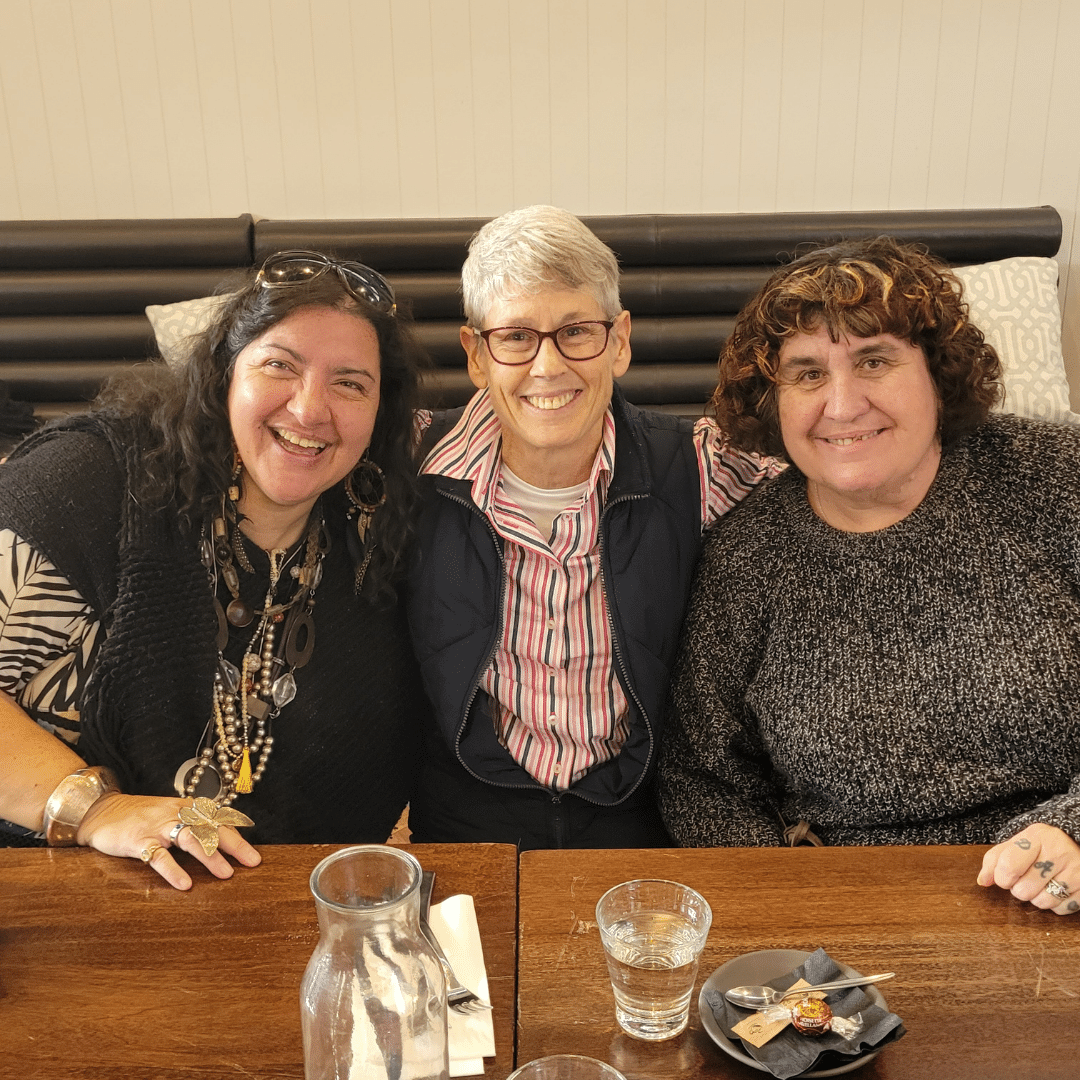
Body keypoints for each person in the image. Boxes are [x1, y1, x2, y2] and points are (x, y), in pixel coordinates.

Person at [658, 235, 1080, 916]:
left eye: (874, 360)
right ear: (773, 402)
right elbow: (701, 777)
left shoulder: (1055, 477)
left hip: (1061, 884)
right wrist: (793, 910)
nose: (844, 404)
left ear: (938, 374)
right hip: (852, 906)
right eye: (806, 374)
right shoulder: (746, 555)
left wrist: (1076, 827)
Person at [0, 250, 430, 888]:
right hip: (49, 898)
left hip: (276, 918)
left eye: (350, 383)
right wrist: (94, 809)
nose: (311, 410)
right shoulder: (85, 485)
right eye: (280, 365)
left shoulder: (378, 537)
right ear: (225, 374)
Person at [406, 205, 777, 849]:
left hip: (640, 814)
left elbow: (840, 477)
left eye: (576, 330)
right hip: (465, 814)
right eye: (516, 336)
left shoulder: (701, 464)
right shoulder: (409, 464)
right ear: (475, 354)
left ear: (621, 340)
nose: (547, 366)